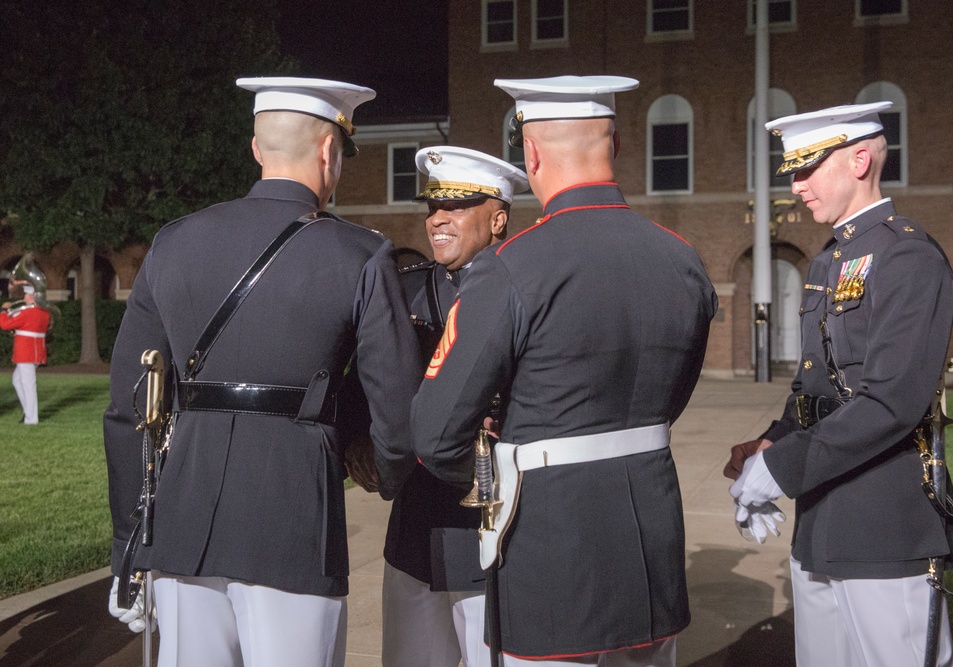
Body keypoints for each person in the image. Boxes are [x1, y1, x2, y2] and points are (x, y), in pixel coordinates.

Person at [103, 76, 423, 667]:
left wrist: (129, 543)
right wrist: (383, 471)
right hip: (293, 519)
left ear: (256, 148)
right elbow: (397, 413)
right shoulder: (361, 253)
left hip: (183, 526)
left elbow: (129, 409)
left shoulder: (172, 242)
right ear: (329, 151)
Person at [410, 75, 717, 666]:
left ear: (530, 153)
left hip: (550, 542)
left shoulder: (509, 267)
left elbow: (435, 430)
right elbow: (674, 395)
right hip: (651, 532)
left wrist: (487, 478)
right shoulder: (681, 257)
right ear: (616, 148)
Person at [725, 102, 953, 666]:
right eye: (792, 174)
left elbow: (890, 402)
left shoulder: (906, 255)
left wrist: (780, 469)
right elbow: (815, 387)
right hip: (824, 514)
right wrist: (771, 444)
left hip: (885, 519)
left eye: (807, 169)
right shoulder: (831, 259)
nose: (797, 187)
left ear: (860, 159)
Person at [383, 146, 528, 667]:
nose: (437, 219)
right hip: (415, 531)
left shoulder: (527, 291)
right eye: (432, 208)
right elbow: (362, 378)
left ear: (499, 217)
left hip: (491, 527)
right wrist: (360, 439)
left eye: (458, 206)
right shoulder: (402, 292)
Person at [1, 283, 50, 425]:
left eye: (28, 295)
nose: (25, 298)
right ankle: (28, 412)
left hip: (25, 352)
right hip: (36, 352)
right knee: (17, 381)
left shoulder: (27, 312)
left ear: (33, 297)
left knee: (28, 385)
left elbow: (4, 324)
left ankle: (31, 419)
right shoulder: (44, 312)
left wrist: (4, 310)